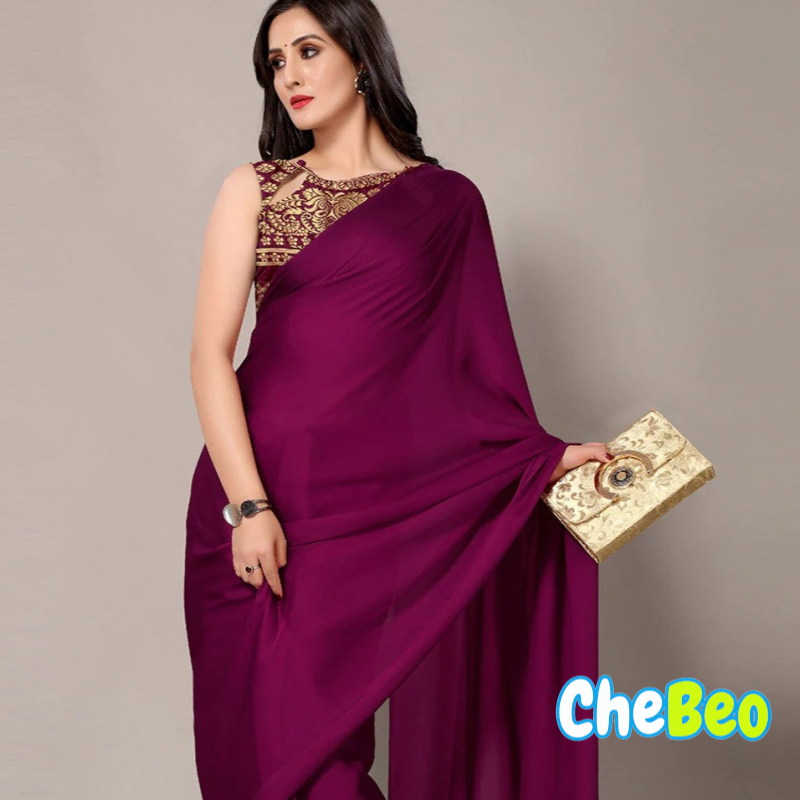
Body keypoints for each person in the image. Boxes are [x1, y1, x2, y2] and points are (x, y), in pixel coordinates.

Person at [184, 1, 611, 798]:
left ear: (360, 56)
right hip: (255, 503)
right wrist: (249, 507)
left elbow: (469, 376)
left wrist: (541, 461)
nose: (290, 76)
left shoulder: (446, 204)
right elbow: (210, 357)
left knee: (326, 769)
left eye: (308, 51)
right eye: (275, 62)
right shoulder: (258, 190)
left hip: (362, 519)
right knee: (258, 763)